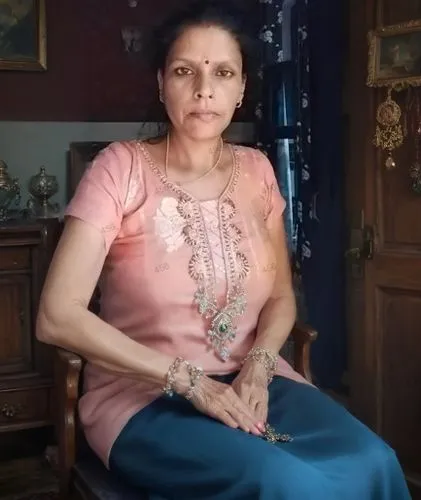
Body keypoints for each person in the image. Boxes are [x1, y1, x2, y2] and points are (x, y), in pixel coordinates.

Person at [36, 1, 411, 499]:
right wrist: (190, 381)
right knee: (282, 480)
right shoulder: (118, 169)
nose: (204, 88)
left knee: (376, 460)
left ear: (242, 89)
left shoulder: (257, 171)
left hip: (256, 381)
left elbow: (280, 296)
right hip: (145, 398)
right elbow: (57, 316)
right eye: (185, 71)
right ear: (160, 83)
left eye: (223, 72)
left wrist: (258, 364)